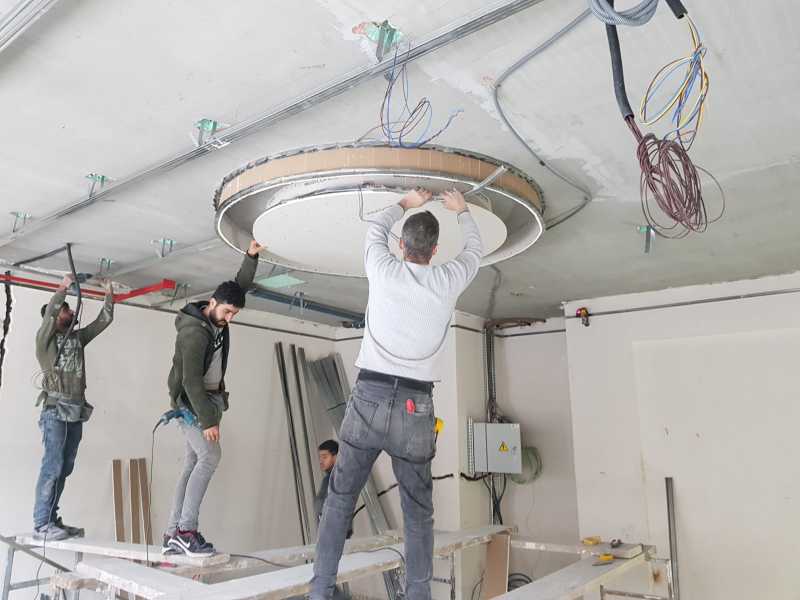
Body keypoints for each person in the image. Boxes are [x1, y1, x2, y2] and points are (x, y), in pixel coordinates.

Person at [310, 188, 483, 600]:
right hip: (415, 405)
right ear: (435, 250)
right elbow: (475, 252)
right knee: (418, 513)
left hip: (369, 395)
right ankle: (418, 595)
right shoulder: (447, 279)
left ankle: (320, 591)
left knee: (339, 499)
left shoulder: (382, 268)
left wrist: (406, 203)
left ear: (401, 246)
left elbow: (375, 229)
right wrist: (463, 211)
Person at [162, 240, 263, 557]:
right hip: (193, 404)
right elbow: (190, 381)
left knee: (193, 462)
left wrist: (251, 256)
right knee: (210, 457)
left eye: (234, 314)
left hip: (211, 400)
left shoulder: (218, 313)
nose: (229, 319)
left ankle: (172, 534)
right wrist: (207, 421)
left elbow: (238, 287)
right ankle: (186, 531)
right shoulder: (193, 333)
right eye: (227, 312)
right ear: (213, 303)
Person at [33, 275, 115, 540]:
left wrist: (109, 293)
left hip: (75, 411)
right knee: (53, 465)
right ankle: (41, 524)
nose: (72, 313)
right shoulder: (45, 342)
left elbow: (104, 321)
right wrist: (63, 287)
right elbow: (50, 315)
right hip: (55, 411)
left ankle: (51, 519)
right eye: (67, 310)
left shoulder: (77, 339)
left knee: (65, 467)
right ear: (57, 316)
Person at [314, 440, 352, 539]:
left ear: (335, 457)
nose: (321, 461)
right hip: (329, 532)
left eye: (324, 457)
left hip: (336, 533)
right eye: (320, 457)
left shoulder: (339, 478)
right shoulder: (328, 479)